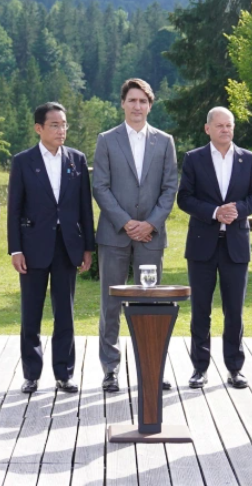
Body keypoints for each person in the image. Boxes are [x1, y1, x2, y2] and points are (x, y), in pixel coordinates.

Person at [93, 78, 178, 392]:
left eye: (143, 101)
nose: (137, 106)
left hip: (150, 236)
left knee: (151, 303)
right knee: (110, 304)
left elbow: (170, 188)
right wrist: (126, 222)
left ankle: (151, 367)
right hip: (114, 234)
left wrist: (150, 224)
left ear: (150, 105)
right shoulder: (107, 140)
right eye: (132, 100)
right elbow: (100, 186)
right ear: (123, 103)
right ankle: (110, 369)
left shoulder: (165, 141)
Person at [8, 102, 95, 395]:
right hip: (33, 246)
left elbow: (85, 206)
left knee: (65, 313)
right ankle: (31, 375)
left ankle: (64, 374)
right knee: (31, 312)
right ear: (39, 128)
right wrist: (15, 249)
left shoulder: (77, 160)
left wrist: (88, 247)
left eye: (64, 124)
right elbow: (14, 209)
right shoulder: (23, 161)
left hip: (68, 246)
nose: (61, 130)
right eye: (55, 125)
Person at [177, 107, 252, 389]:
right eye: (220, 126)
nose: (225, 130)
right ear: (208, 129)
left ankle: (235, 369)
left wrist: (237, 210)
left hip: (235, 246)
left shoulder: (249, 159)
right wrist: (215, 212)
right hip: (202, 246)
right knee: (200, 310)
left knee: (234, 311)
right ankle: (199, 369)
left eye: (229, 125)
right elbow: (184, 198)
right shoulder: (194, 159)